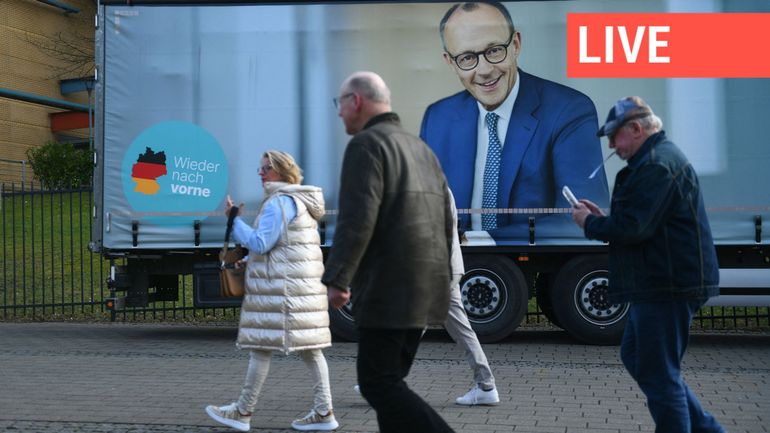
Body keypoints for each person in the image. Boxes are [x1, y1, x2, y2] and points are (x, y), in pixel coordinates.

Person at [570, 96, 725, 433]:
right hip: (660, 282)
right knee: (638, 357)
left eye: (614, 136)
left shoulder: (655, 165)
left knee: (659, 375)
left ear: (636, 129)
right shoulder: (656, 160)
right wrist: (603, 218)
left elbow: (635, 228)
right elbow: (645, 221)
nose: (611, 145)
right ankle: (708, 430)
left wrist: (590, 224)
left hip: (666, 285)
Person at [323, 71, 456, 433]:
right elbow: (446, 221)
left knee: (378, 384)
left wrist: (338, 278)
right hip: (425, 290)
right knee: (392, 385)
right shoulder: (421, 149)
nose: (338, 113)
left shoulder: (367, 145)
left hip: (389, 291)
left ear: (357, 101)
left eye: (340, 103)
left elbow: (356, 219)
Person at [420, 1, 609, 237]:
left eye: (494, 51)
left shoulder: (569, 111)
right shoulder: (437, 119)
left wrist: (482, 242)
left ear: (515, 45)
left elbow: (584, 221)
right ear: (451, 62)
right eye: (467, 57)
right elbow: (422, 214)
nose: (485, 69)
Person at [205, 150, 338, 432]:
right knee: (310, 351)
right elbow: (282, 247)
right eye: (261, 168)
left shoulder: (279, 202)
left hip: (284, 293)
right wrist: (250, 258)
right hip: (298, 290)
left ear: (281, 171)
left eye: (266, 168)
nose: (260, 173)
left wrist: (234, 220)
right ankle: (324, 412)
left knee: (261, 348)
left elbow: (262, 242)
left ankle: (242, 412)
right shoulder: (297, 200)